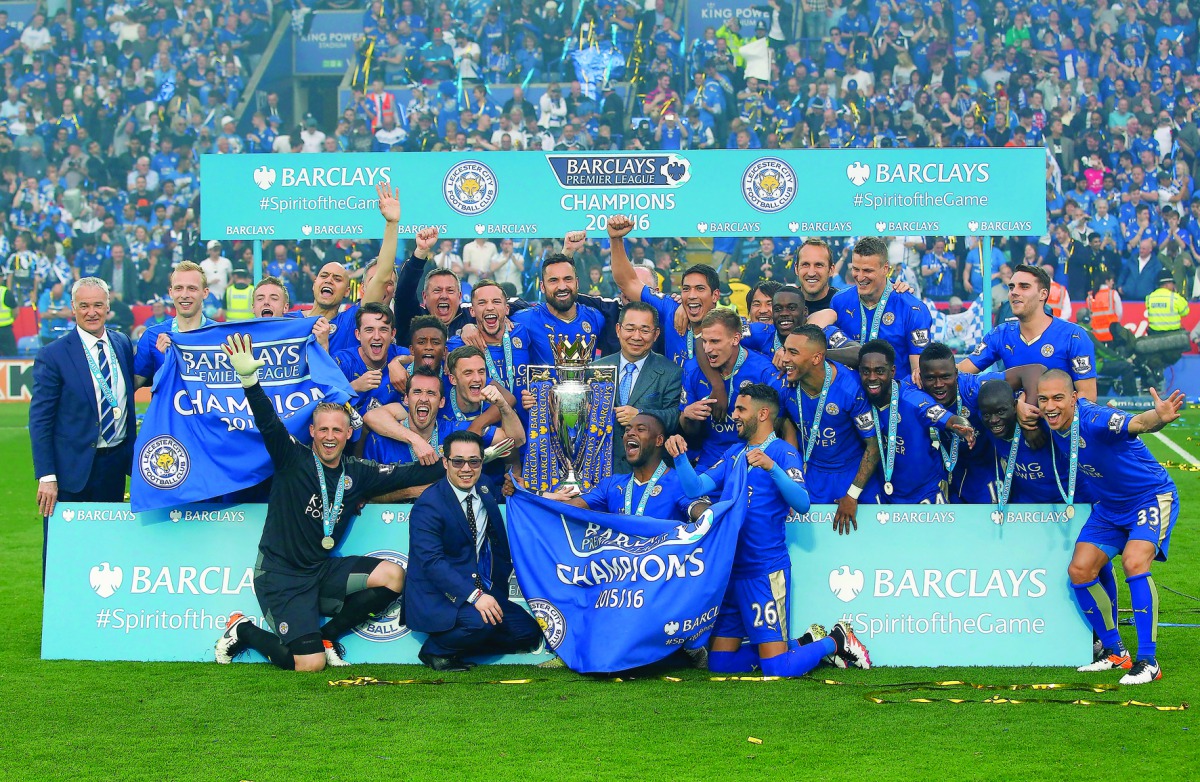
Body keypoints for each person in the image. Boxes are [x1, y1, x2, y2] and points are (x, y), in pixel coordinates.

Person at [213, 334, 444, 672]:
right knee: (308, 666)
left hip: (321, 571)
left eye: (337, 430)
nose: (330, 436)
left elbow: (407, 475)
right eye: (323, 430)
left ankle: (327, 635)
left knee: (393, 576)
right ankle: (243, 630)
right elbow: (268, 423)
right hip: (281, 576)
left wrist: (470, 458)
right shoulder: (292, 458)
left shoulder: (357, 472)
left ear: (349, 433)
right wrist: (250, 381)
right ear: (313, 431)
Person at [667, 383, 872, 676]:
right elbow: (695, 487)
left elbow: (802, 504)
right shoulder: (734, 454)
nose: (734, 416)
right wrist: (680, 456)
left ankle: (836, 640)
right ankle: (804, 642)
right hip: (731, 569)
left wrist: (772, 468)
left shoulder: (783, 453)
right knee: (719, 664)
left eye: (741, 409)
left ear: (762, 414)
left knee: (777, 669)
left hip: (764, 570)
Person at [1036, 370, 1183, 685]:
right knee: (1080, 570)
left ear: (1075, 398)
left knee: (1133, 561)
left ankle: (1148, 661)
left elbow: (1137, 424)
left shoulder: (1095, 418)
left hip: (1149, 498)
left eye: (1058, 398)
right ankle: (1115, 653)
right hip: (1109, 508)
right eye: (1044, 399)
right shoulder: (1053, 424)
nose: (1050, 406)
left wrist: (1158, 417)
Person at [405, 430, 543, 672]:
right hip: (441, 595)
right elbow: (432, 563)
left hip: (482, 587)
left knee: (528, 634)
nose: (466, 469)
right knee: (481, 624)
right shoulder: (428, 506)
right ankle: (435, 650)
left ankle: (461, 647)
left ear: (481, 462)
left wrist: (550, 497)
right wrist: (475, 596)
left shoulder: (485, 486)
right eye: (458, 461)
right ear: (445, 462)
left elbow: (513, 500)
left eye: (474, 461)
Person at [29, 278, 135, 575]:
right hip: (70, 472)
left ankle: (98, 617)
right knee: (64, 550)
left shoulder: (122, 343)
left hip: (114, 466)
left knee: (106, 549)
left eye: (98, 305)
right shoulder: (54, 354)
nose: (92, 312)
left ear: (108, 308)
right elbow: (40, 420)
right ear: (73, 309)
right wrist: (46, 476)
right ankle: (58, 618)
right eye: (84, 306)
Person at [778, 326, 879, 532]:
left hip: (851, 472)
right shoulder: (783, 386)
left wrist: (852, 494)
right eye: (785, 350)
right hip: (812, 473)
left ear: (816, 358)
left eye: (793, 353)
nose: (784, 358)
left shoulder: (850, 388)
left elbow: (874, 445)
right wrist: (792, 482)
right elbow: (784, 430)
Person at [917, 342, 1045, 504]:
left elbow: (1034, 371)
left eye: (945, 376)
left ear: (957, 373)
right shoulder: (917, 388)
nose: (939, 384)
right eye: (930, 378)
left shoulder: (973, 387)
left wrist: (1029, 421)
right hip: (946, 467)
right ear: (921, 377)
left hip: (985, 464)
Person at [858, 339, 977, 504]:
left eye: (879, 371)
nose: (872, 378)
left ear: (892, 371)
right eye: (866, 372)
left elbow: (940, 414)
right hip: (887, 494)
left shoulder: (912, 398)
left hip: (926, 494)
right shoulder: (859, 397)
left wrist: (960, 423)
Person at [958, 264, 1099, 402]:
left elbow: (1087, 396)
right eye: (1011, 287)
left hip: (1057, 423)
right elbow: (958, 374)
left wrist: (1044, 412)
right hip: (1011, 420)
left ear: (1043, 294)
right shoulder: (999, 334)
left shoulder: (1074, 336)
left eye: (1024, 286)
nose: (1014, 292)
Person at [808, 237, 932, 383]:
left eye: (867, 270)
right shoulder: (840, 301)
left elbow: (918, 373)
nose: (860, 277)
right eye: (855, 269)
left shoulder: (913, 309)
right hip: (851, 399)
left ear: (885, 268)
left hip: (895, 398)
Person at [300, 182, 401, 355]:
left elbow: (383, 276)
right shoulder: (289, 320)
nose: (329, 280)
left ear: (347, 291)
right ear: (314, 283)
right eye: (324, 275)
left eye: (337, 279)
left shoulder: (351, 321)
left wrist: (391, 223)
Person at [678, 308, 781, 471]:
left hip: (752, 462)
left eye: (715, 341)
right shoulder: (693, 369)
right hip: (709, 462)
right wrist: (687, 416)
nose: (707, 349)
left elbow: (778, 424)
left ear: (735, 339)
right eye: (705, 341)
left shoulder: (763, 371)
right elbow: (690, 431)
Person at [543, 413, 691, 521]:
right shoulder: (611, 484)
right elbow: (569, 509)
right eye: (627, 430)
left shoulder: (680, 483)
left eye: (640, 429)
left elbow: (707, 517)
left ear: (659, 440)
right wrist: (530, 496)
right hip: (621, 563)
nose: (630, 433)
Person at [592, 302, 682, 474]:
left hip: (649, 472)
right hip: (602, 470)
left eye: (645, 330)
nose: (636, 336)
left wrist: (641, 415)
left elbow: (675, 417)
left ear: (656, 334)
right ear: (618, 330)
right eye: (630, 328)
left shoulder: (671, 372)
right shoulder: (595, 369)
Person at [511, 249, 609, 366]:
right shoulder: (525, 319)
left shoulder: (596, 318)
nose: (562, 287)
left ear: (577, 283)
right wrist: (503, 319)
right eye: (553, 280)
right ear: (542, 287)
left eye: (568, 279)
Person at [976, 379, 1063, 505]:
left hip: (1066, 500)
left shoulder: (1041, 424)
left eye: (1001, 412)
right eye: (987, 414)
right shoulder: (986, 420)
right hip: (1024, 505)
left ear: (1015, 407)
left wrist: (1030, 424)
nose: (994, 420)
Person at [446, 279, 532, 396]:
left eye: (496, 301)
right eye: (482, 303)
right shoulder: (458, 345)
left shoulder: (521, 331)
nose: (490, 307)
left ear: (506, 309)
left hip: (525, 413)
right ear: (472, 311)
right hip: (485, 414)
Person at [133, 262, 212, 387]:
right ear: (171, 292)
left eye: (192, 288)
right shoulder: (152, 336)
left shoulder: (219, 335)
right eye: (178, 288)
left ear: (205, 293)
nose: (184, 295)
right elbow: (132, 385)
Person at [332, 302, 409, 417]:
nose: (377, 337)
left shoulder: (400, 354)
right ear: (358, 334)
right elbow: (322, 402)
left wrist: (397, 362)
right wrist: (354, 386)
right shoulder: (342, 361)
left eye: (383, 330)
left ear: (392, 334)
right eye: (369, 330)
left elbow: (422, 358)